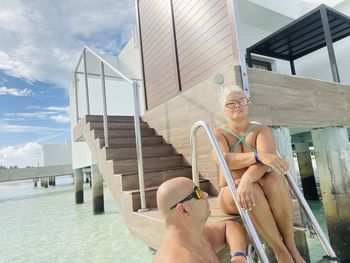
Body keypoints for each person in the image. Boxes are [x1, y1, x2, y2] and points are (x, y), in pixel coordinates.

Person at [212, 85, 306, 263]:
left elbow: (267, 163)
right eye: (230, 103)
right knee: (252, 187)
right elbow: (225, 159)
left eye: (241, 100)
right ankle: (281, 251)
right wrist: (258, 155)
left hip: (255, 186)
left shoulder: (261, 130)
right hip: (229, 193)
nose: (236, 105)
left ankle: (291, 246)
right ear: (224, 110)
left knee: (274, 179)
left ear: (248, 104)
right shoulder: (218, 134)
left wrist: (247, 178)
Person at [153, 177, 248, 263]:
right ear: (183, 209)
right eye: (197, 193)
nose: (205, 194)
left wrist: (238, 257)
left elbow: (229, 226)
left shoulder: (196, 235)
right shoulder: (178, 259)